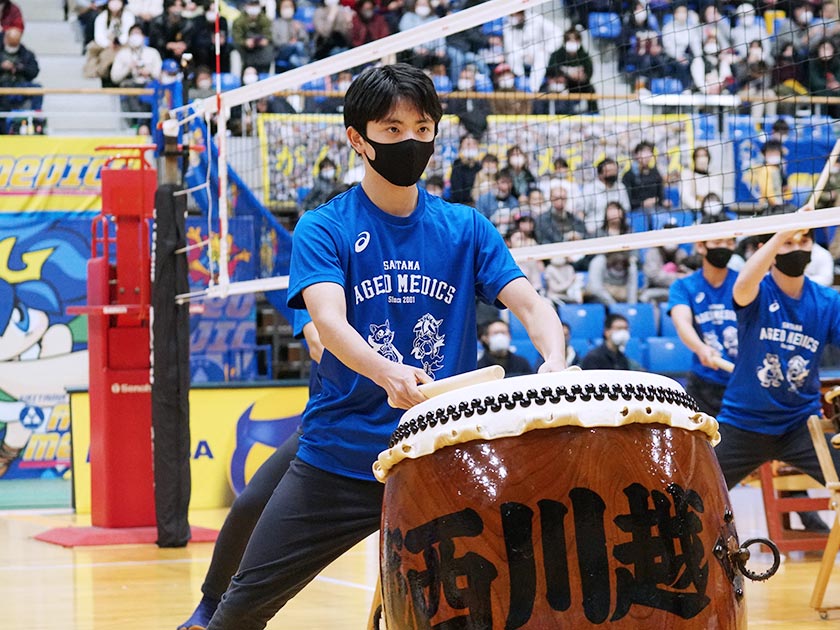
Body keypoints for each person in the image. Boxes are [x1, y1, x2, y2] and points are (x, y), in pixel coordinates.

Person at [204, 63, 565, 630]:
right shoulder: (325, 228)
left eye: (423, 129)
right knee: (241, 608)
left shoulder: (466, 227)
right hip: (343, 456)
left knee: (491, 609)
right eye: (393, 130)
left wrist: (554, 359)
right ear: (359, 139)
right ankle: (206, 610)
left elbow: (532, 305)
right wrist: (386, 373)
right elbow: (327, 325)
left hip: (439, 459)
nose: (411, 142)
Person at [177, 313, 323, 630]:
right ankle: (209, 606)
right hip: (328, 427)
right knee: (250, 504)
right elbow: (319, 344)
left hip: (403, 424)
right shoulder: (321, 270)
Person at [713, 226, 840, 524]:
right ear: (768, 249)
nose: (796, 247)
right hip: (744, 422)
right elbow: (743, 284)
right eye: (787, 243)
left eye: (804, 240)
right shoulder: (757, 290)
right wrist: (782, 234)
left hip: (801, 423)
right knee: (697, 494)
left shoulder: (827, 301)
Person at [668, 233, 739, 416]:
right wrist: (700, 348)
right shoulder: (683, 286)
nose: (724, 247)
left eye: (729, 242)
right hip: (703, 384)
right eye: (717, 241)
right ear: (701, 246)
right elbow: (682, 323)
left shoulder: (743, 283)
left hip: (741, 382)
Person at [110, 23, 162, 127]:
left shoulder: (153, 53)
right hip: (130, 86)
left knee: (152, 93)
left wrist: (149, 72)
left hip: (148, 85)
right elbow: (114, 77)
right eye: (133, 34)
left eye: (138, 33)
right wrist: (128, 68)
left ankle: (146, 125)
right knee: (128, 90)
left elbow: (160, 75)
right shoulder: (122, 54)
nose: (136, 36)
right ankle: (137, 124)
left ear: (143, 36)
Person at [0, 26, 43, 133]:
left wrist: (19, 68)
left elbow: (34, 71)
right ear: (5, 39)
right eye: (10, 43)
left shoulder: (26, 54)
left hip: (20, 86)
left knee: (37, 89)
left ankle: (36, 119)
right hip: (2, 87)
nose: (12, 47)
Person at [232, 0, 274, 74]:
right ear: (246, 6)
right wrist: (245, 42)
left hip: (261, 49)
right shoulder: (239, 21)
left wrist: (265, 40)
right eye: (251, 5)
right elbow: (236, 38)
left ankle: (264, 74)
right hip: (245, 49)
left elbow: (269, 35)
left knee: (269, 50)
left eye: (255, 5)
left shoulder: (265, 20)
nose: (253, 8)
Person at [448, 133, 482, 205]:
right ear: (461, 148)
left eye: (474, 144)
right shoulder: (456, 166)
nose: (472, 147)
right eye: (468, 144)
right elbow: (457, 194)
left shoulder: (480, 167)